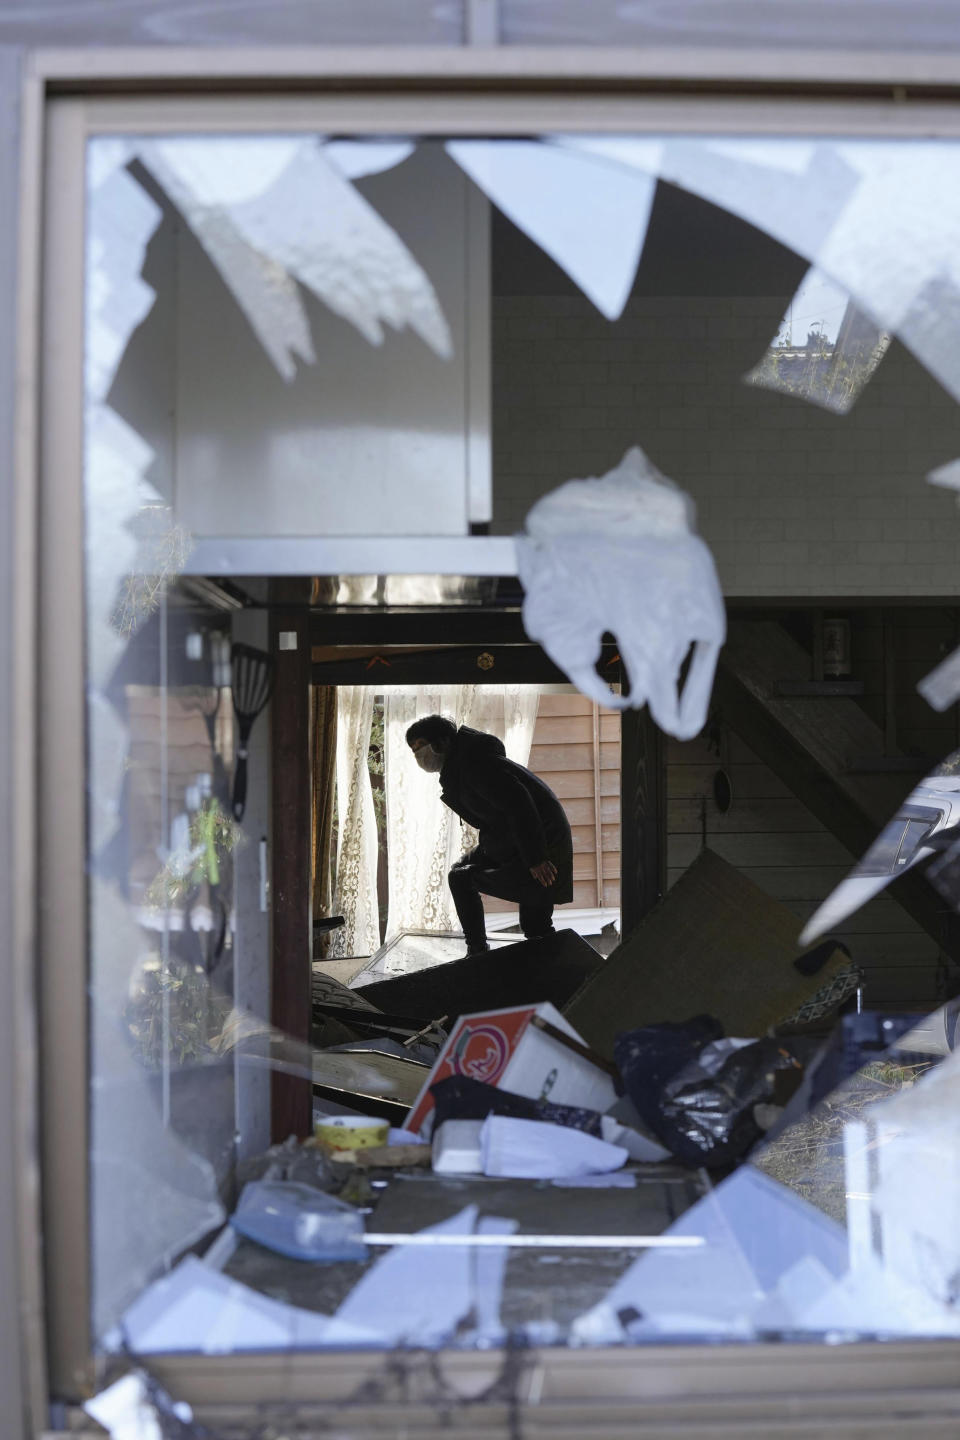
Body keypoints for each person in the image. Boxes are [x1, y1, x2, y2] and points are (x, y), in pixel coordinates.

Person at [406, 713, 573, 957]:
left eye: (420, 746)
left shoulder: (476, 765)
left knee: (534, 922)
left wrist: (536, 858)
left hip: (541, 839)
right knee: (461, 875)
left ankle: (481, 954)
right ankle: (479, 950)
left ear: (441, 742)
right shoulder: (462, 765)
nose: (418, 756)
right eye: (413, 750)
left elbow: (519, 805)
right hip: (510, 838)